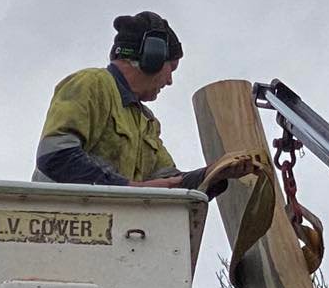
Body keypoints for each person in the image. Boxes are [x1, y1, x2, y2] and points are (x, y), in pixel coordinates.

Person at [33, 10, 251, 194]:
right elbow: (55, 155)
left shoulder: (145, 121)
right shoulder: (92, 84)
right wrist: (129, 189)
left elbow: (168, 181)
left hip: (115, 229)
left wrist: (212, 174)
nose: (170, 80)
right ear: (151, 58)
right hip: (61, 227)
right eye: (171, 68)